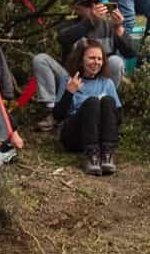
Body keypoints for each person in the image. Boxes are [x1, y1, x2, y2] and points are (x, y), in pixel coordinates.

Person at [33, 0, 136, 124]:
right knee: (40, 59)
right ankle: (53, 111)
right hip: (69, 80)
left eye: (96, 2)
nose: (94, 7)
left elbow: (130, 53)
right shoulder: (69, 25)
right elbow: (63, 39)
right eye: (88, 4)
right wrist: (90, 22)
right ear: (77, 9)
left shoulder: (109, 26)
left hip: (97, 82)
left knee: (116, 62)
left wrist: (119, 28)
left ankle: (106, 105)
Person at [50, 38, 122, 176]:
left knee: (107, 100)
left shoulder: (107, 83)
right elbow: (57, 116)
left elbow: (118, 118)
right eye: (92, 58)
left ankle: (107, 156)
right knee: (92, 102)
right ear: (81, 60)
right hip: (74, 136)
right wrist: (69, 93)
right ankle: (91, 157)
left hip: (99, 136)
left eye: (99, 59)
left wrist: (103, 111)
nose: (96, 62)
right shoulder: (68, 80)